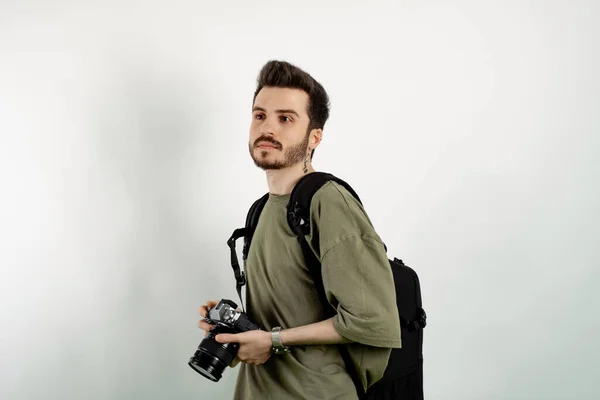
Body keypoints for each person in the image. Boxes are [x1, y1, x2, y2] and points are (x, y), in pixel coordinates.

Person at [198, 60, 401, 399]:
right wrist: (237, 331)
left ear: (314, 137)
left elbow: (372, 319)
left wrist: (272, 341)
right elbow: (287, 315)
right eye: (260, 115)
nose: (268, 128)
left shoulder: (327, 201)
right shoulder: (262, 209)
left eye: (286, 119)